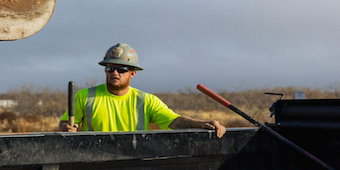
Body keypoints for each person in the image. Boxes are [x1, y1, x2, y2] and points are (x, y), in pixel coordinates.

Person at [59, 43, 226, 138]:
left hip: (132, 161)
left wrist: (202, 124)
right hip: (92, 161)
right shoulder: (85, 96)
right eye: (110, 68)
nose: (115, 73)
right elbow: (65, 123)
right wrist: (67, 127)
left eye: (122, 69)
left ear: (133, 73)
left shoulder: (146, 101)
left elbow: (176, 121)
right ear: (105, 71)